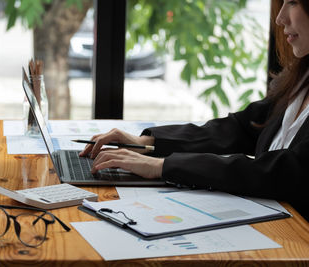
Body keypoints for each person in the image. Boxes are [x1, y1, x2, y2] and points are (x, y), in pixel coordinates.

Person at [80, 0, 309, 221]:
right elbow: (239, 129)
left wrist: (164, 166)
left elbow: (284, 171)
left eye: (293, 2)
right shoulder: (300, 79)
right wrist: (147, 143)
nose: (280, 19)